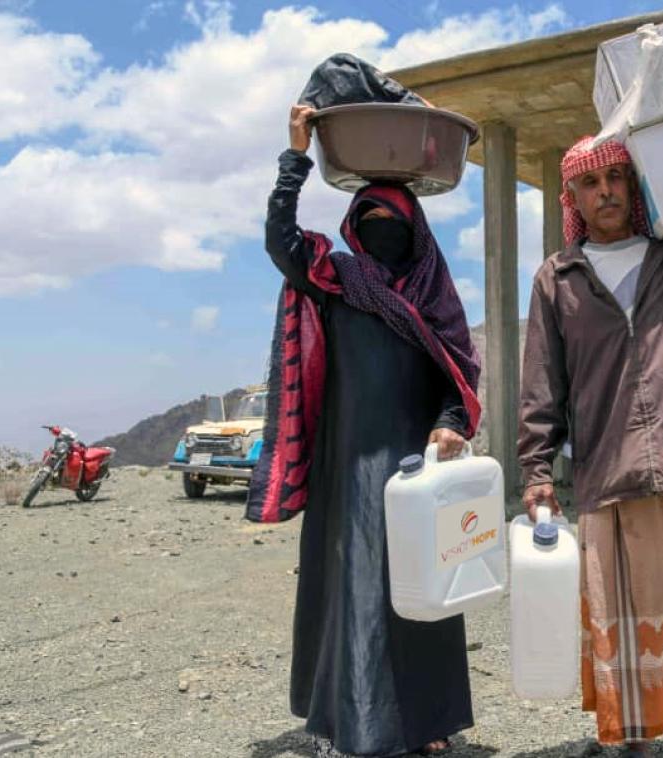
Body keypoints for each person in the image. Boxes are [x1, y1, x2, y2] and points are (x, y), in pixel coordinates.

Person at [254, 104, 481, 758]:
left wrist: (447, 426)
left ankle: (428, 722)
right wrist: (295, 157)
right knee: (354, 593)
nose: (381, 232)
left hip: (417, 471)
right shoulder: (335, 280)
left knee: (424, 597)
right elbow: (281, 242)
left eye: (394, 223)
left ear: (417, 232)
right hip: (347, 470)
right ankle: (351, 723)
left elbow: (458, 382)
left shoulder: (434, 299)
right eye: (369, 221)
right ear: (353, 229)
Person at [518, 136, 663, 756]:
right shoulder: (557, 278)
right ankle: (636, 734)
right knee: (617, 605)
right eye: (592, 183)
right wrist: (536, 470)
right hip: (606, 465)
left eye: (618, 177)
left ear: (635, 188)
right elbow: (541, 381)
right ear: (573, 198)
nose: (607, 191)